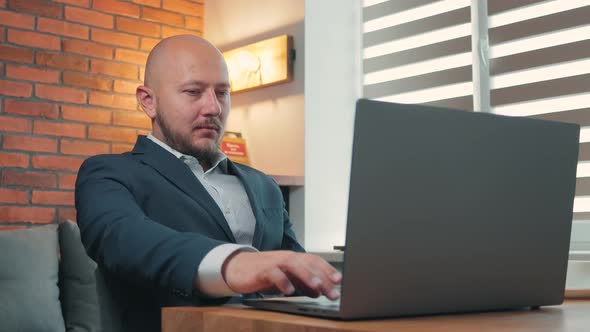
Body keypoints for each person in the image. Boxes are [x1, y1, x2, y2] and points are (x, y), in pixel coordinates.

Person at [75, 35, 341, 332]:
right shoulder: (108, 173)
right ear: (148, 101)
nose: (214, 108)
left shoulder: (263, 184)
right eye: (193, 92)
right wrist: (233, 263)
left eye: (222, 93)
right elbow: (123, 239)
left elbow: (298, 269)